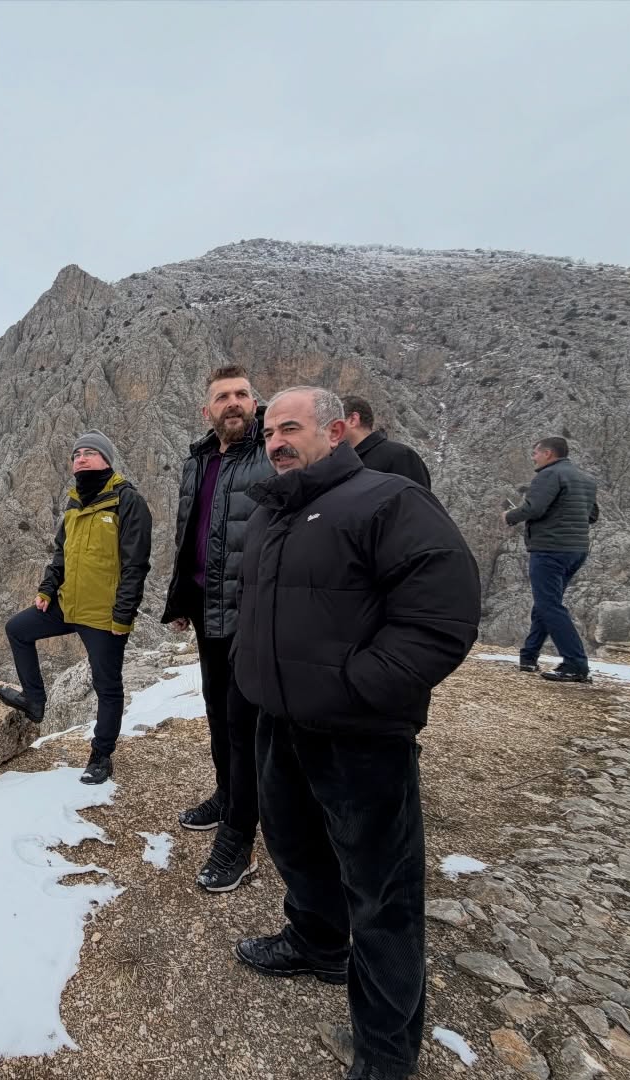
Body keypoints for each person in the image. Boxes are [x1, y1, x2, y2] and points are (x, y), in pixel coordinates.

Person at [231, 387, 481, 1080]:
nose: (276, 440)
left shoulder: (387, 500)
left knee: (382, 892)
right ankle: (317, 945)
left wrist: (359, 687)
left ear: (336, 431)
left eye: (291, 427)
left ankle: (386, 1050)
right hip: (280, 724)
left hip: (361, 737)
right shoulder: (277, 510)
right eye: (269, 431)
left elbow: (442, 616)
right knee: (296, 848)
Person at [160, 365, 273, 893]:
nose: (233, 403)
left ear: (255, 402)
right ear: (207, 410)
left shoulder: (270, 455)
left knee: (243, 726)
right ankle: (228, 798)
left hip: (253, 615)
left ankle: (239, 838)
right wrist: (182, 598)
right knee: (216, 714)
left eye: (242, 394)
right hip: (209, 610)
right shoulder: (199, 459)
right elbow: (192, 532)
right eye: (223, 397)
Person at [0, 430, 152, 784]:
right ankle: (35, 701)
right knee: (18, 630)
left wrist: (123, 615)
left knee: (107, 686)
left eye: (90, 452)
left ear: (107, 460)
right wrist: (47, 589)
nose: (81, 458)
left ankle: (101, 755)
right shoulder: (74, 504)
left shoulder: (128, 502)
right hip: (66, 605)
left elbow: (135, 566)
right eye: (76, 454)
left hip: (103, 616)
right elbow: (61, 554)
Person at [503, 436, 599, 683]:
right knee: (547, 603)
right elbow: (592, 515)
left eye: (535, 453)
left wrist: (510, 516)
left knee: (550, 606)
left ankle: (576, 664)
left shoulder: (548, 475)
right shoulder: (585, 479)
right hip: (576, 550)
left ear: (548, 453)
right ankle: (529, 656)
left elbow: (534, 508)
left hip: (550, 549)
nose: (533, 457)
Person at [340, 394, 432, 489]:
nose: (328, 429)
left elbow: (416, 501)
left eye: (334, 422)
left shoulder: (400, 456)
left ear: (353, 420)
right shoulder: (341, 463)